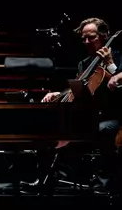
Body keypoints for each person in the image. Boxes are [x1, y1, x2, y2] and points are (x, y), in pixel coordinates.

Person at [42, 17, 121, 187]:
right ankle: (67, 179)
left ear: (104, 36)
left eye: (91, 37)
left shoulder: (119, 57)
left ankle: (105, 182)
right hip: (90, 116)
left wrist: (110, 64)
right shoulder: (84, 64)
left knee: (101, 130)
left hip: (114, 115)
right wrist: (59, 93)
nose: (86, 42)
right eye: (83, 38)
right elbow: (79, 91)